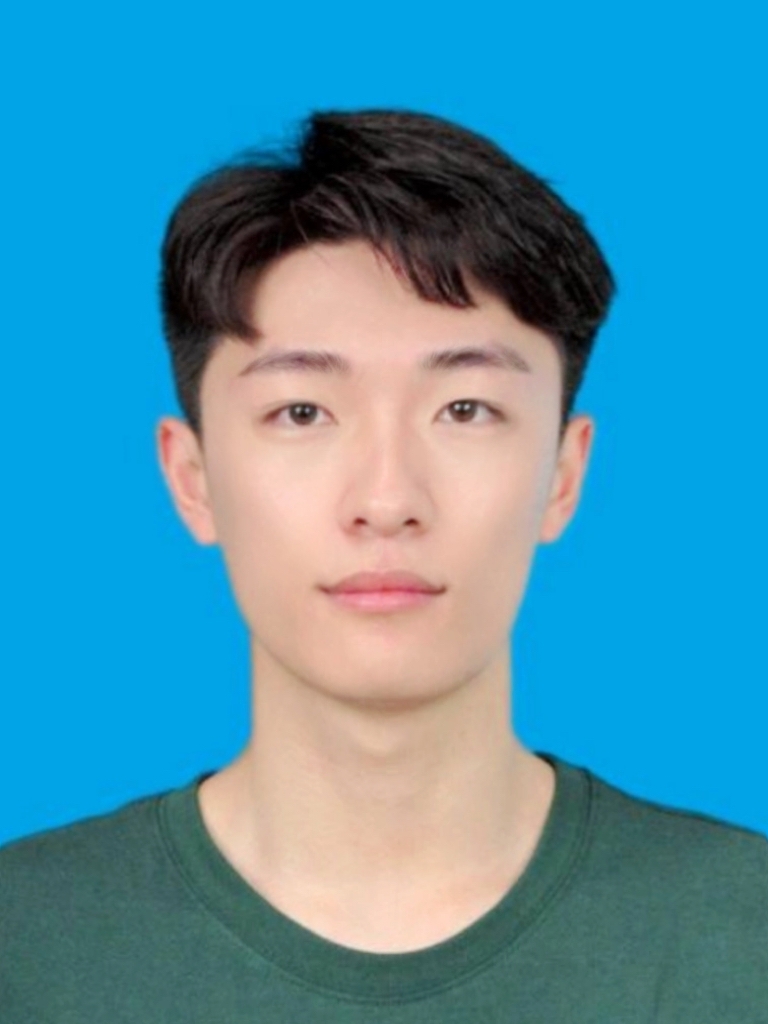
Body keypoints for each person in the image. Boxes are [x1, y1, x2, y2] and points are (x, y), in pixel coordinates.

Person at [1, 107, 766, 1021]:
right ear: (192, 478)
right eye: (302, 412)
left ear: (564, 474)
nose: (387, 498)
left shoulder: (740, 932)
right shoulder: (27, 943)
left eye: (465, 409)